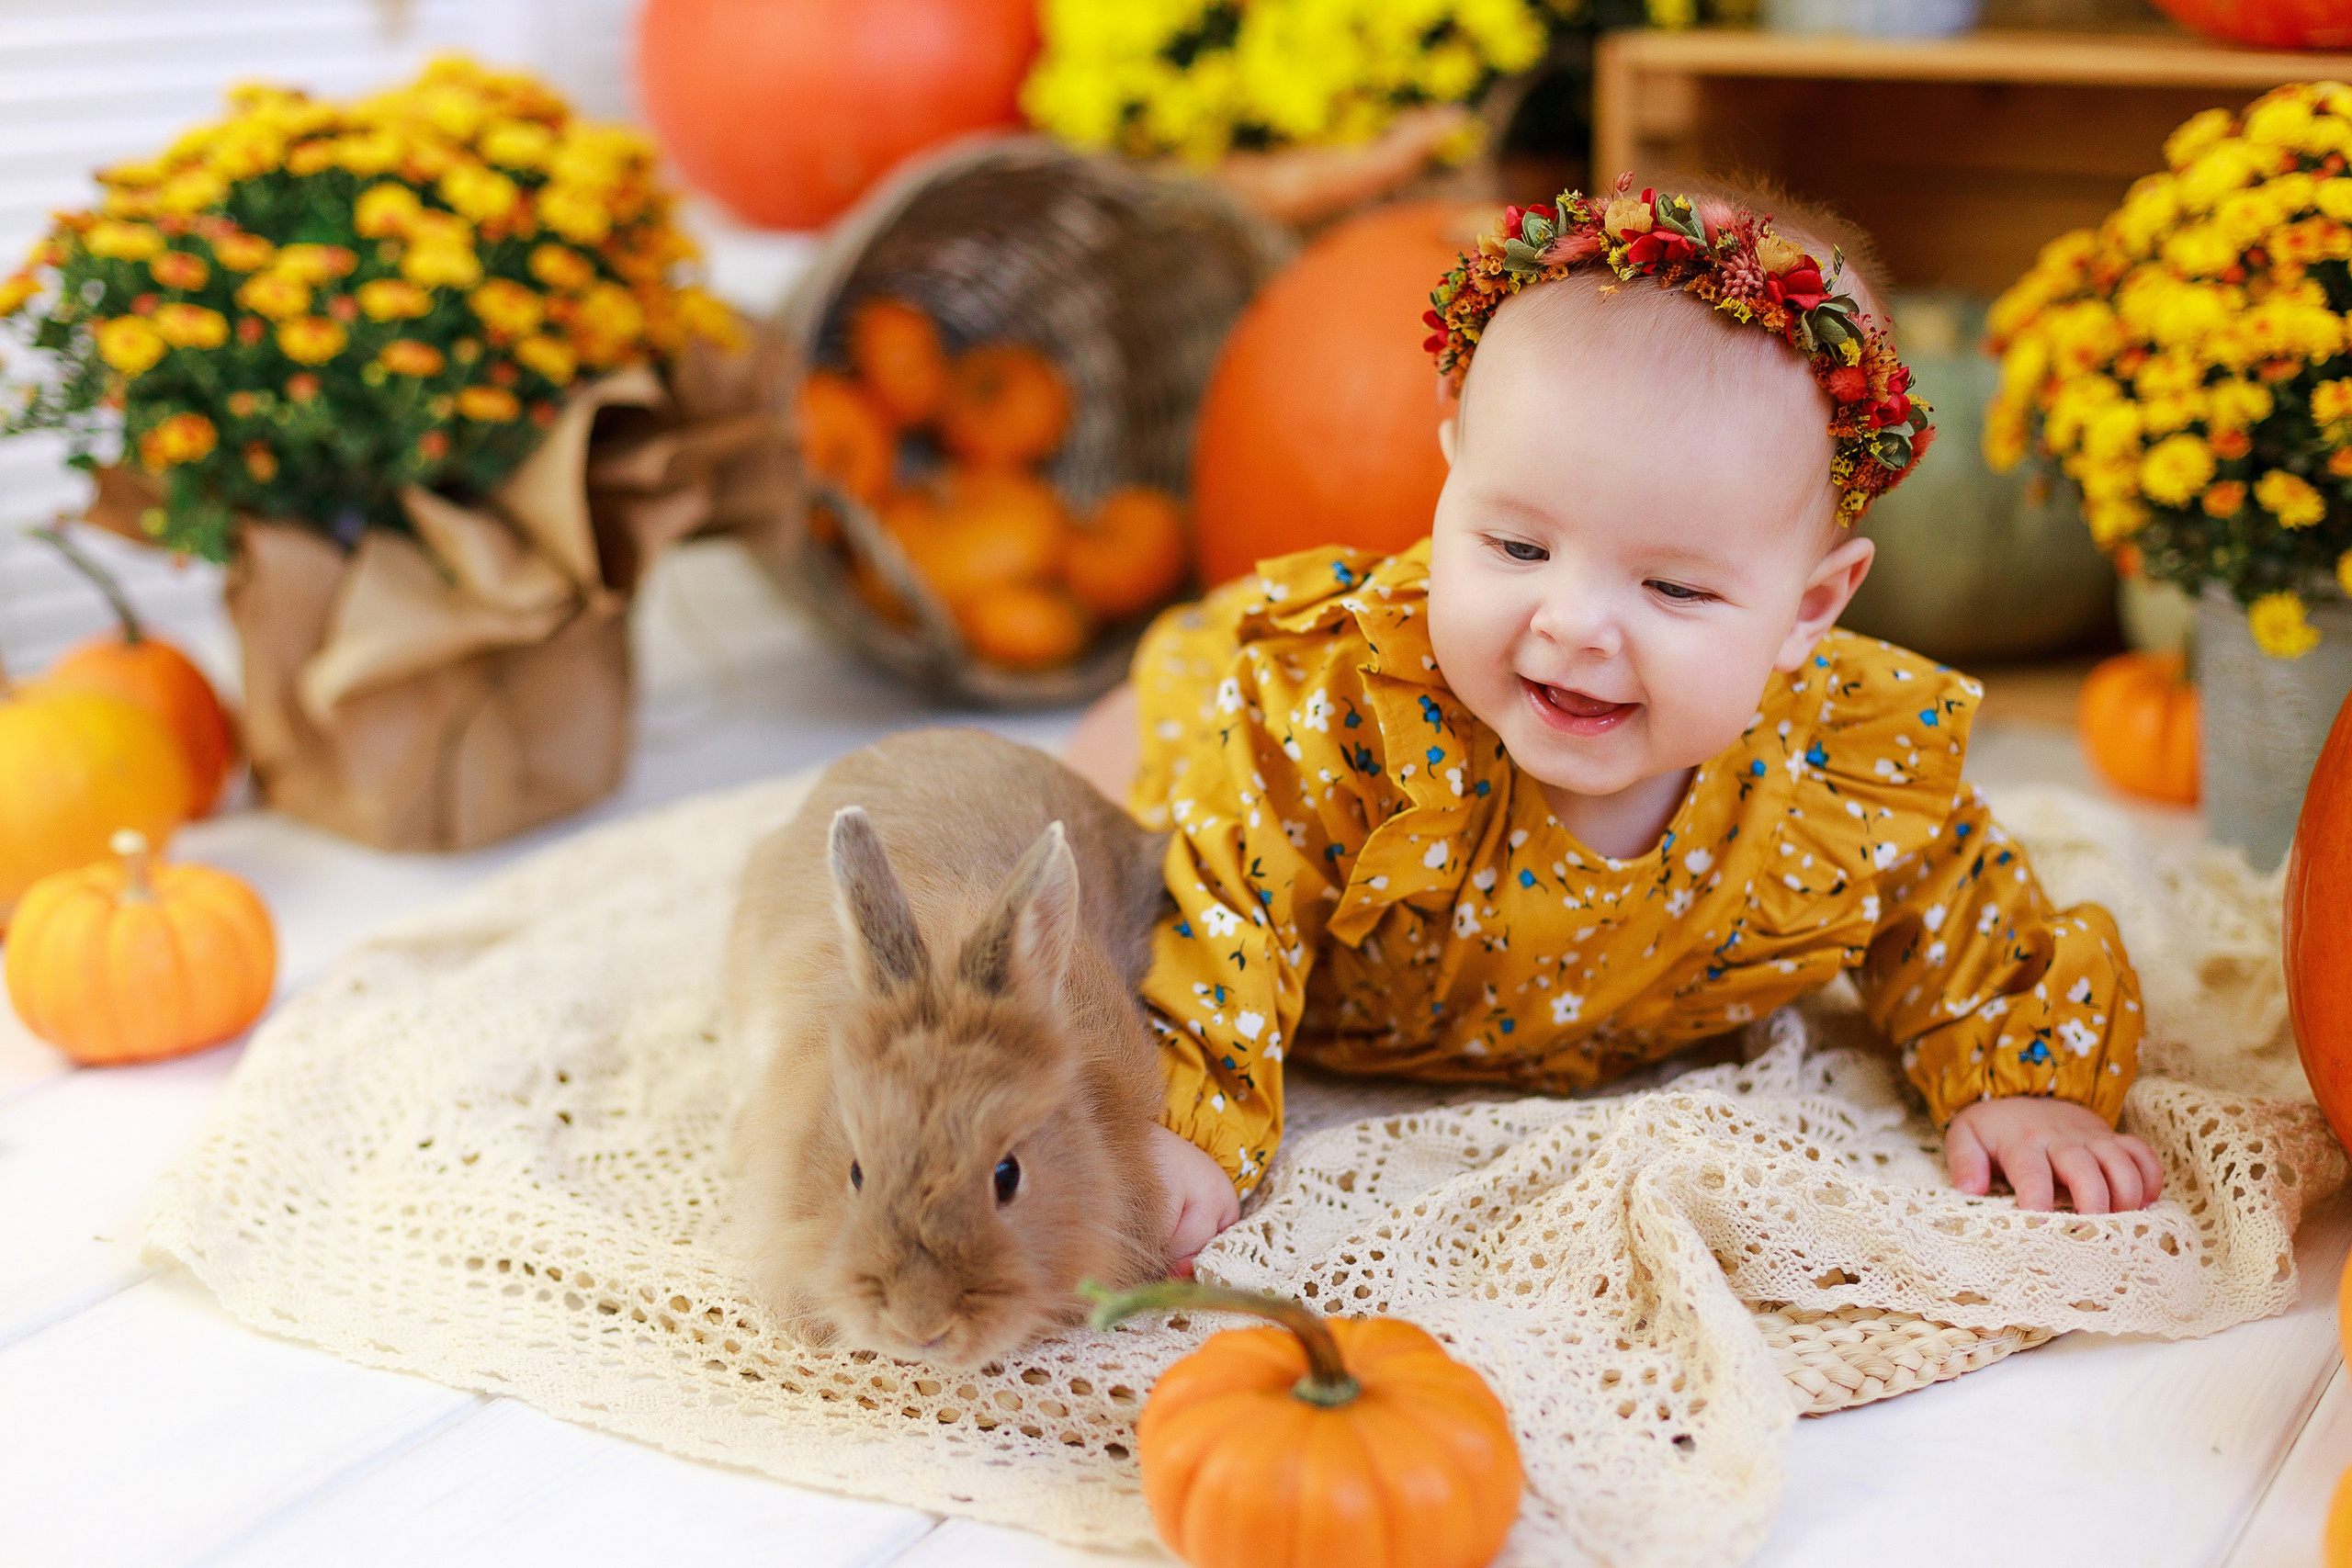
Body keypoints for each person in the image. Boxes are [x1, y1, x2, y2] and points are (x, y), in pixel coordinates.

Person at [1066, 176, 2163, 1272]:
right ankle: (1119, 725)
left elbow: (1963, 916)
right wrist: (1186, 1127)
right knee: (1109, 811)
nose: (1577, 624)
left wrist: (2021, 1080)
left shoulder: (1837, 767)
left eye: (1675, 590)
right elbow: (1227, 906)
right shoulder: (1339, 713)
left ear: (1811, 608)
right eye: (1517, 548)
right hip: (1212, 742)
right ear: (1449, 480)